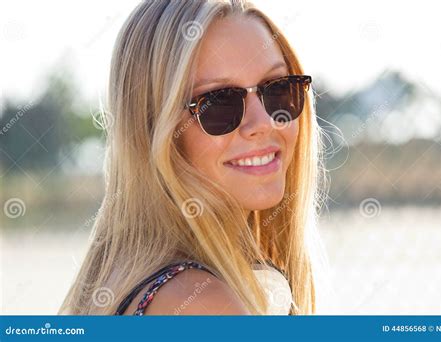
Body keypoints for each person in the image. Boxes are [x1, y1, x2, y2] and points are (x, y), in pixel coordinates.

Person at [59, 0, 326, 316]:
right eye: (219, 103)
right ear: (154, 130)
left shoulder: (131, 281)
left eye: (278, 89)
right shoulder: (203, 305)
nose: (264, 123)